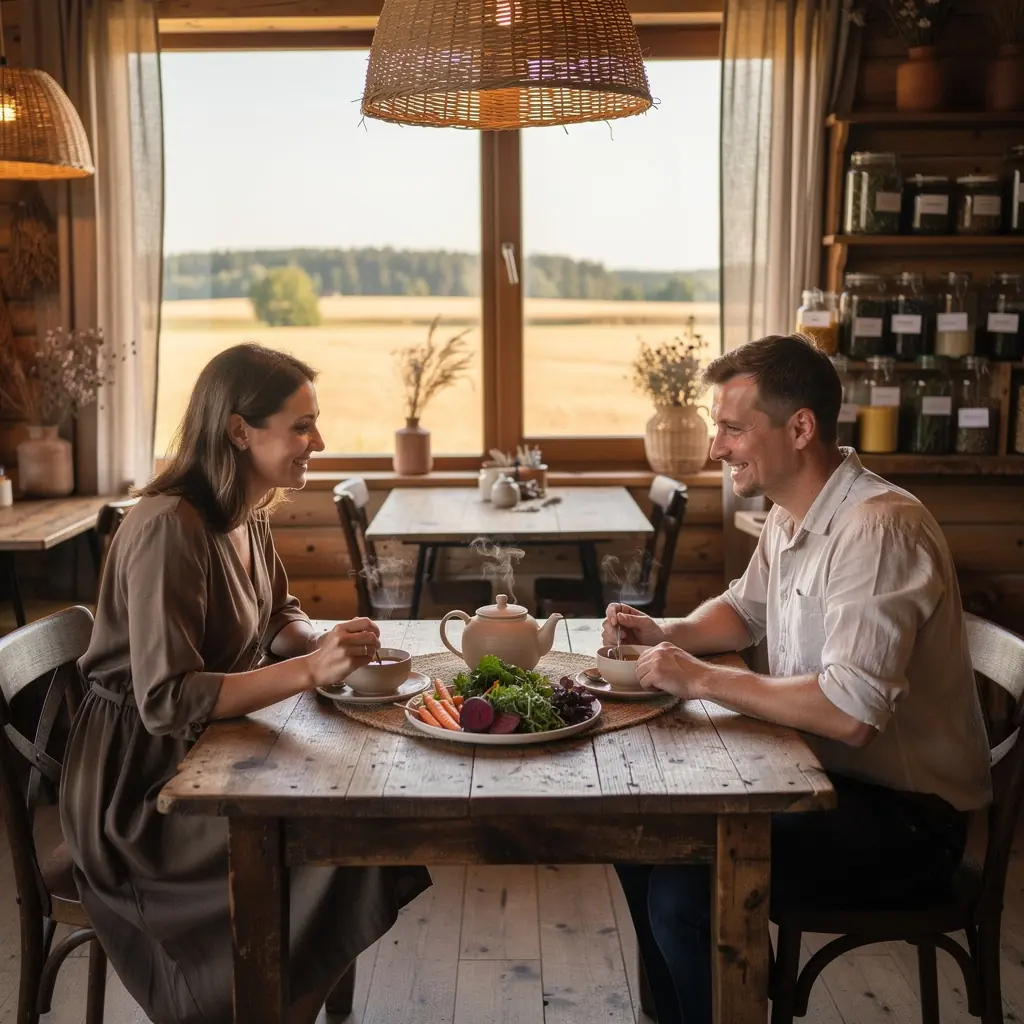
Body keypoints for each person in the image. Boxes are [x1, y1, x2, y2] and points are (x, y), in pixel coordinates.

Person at [605, 334, 992, 1024]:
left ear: (800, 428)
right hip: (823, 784)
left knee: (681, 892)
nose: (717, 447)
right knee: (641, 837)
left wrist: (697, 678)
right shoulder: (793, 514)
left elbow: (849, 712)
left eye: (731, 428)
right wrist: (667, 633)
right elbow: (740, 610)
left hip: (908, 826)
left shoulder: (878, 529)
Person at [60, 343, 430, 1024]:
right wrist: (307, 671)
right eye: (301, 426)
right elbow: (166, 701)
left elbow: (279, 616)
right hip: (140, 790)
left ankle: (277, 1003)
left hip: (209, 750)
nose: (317, 441)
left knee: (361, 831)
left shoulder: (246, 511)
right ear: (238, 430)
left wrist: (324, 643)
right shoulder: (170, 526)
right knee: (332, 843)